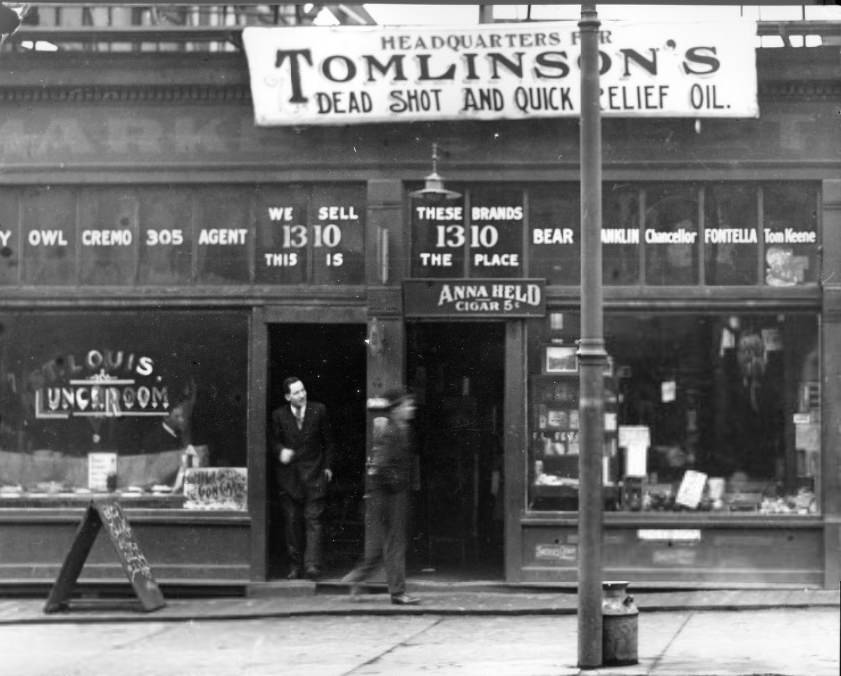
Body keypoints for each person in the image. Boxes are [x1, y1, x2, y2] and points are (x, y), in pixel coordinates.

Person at [341, 388, 420, 606]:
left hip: (391, 495)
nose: (411, 408)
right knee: (394, 543)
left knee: (381, 546)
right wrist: (397, 485)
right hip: (388, 496)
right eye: (407, 405)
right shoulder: (391, 431)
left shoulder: (402, 429)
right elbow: (380, 466)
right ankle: (397, 593)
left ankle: (357, 578)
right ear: (397, 409)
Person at [271, 376, 334, 580]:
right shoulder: (278, 416)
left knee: (313, 520)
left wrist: (328, 467)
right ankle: (295, 566)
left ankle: (312, 566)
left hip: (314, 473)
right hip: (289, 478)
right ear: (288, 396)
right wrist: (280, 450)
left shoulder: (319, 410)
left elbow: (329, 442)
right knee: (291, 522)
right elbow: (272, 441)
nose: (302, 394)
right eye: (296, 392)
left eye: (303, 390)